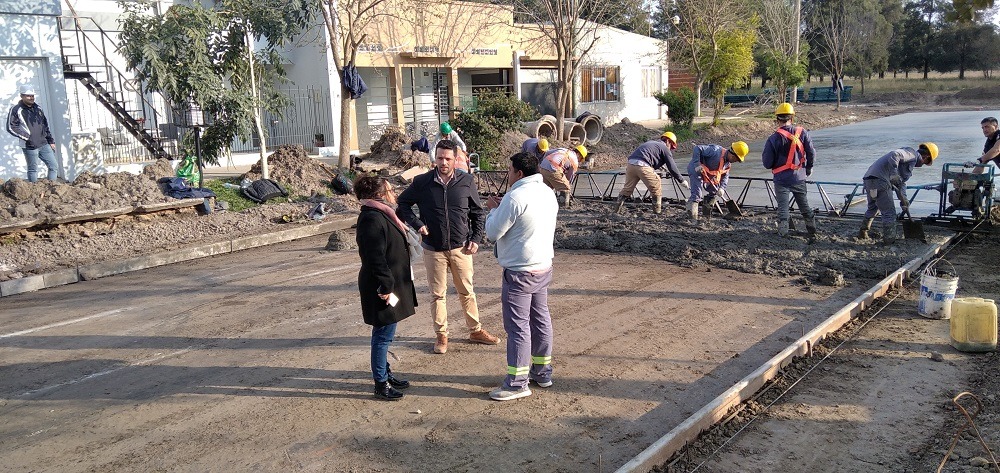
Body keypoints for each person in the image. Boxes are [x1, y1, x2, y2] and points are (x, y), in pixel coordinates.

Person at [396, 139, 500, 354]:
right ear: (435, 158)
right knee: (437, 294)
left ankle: (475, 330)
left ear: (455, 159)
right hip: (433, 249)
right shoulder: (422, 182)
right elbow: (403, 203)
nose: (443, 162)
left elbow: (477, 212)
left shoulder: (466, 181)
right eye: (440, 158)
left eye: (448, 158)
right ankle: (441, 335)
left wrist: (476, 238)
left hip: (461, 248)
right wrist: (417, 224)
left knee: (467, 292)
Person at [484, 151, 559, 401]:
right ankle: (543, 372)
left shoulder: (515, 197)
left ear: (518, 172)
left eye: (509, 169)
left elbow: (493, 233)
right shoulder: (548, 192)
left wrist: (493, 211)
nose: (507, 173)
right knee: (540, 320)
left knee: (518, 328)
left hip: (519, 272)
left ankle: (517, 382)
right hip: (542, 267)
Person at [354, 175, 418, 400]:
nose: (394, 194)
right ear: (379, 195)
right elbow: (374, 257)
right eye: (390, 190)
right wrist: (386, 285)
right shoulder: (372, 218)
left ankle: (386, 373)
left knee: (386, 333)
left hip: (389, 283)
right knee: (382, 335)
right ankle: (380, 383)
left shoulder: (382, 213)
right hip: (381, 286)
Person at [858, 143, 938, 242]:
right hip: (881, 180)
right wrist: (893, 173)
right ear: (926, 157)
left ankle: (863, 232)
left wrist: (904, 200)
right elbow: (894, 154)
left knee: (873, 208)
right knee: (889, 213)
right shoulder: (911, 153)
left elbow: (900, 183)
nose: (922, 165)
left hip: (869, 179)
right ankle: (889, 240)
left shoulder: (907, 163)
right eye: (925, 163)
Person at [761, 103, 817, 238]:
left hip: (781, 179)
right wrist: (808, 168)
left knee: (783, 207)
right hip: (799, 177)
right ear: (792, 118)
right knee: (804, 204)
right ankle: (812, 229)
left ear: (777, 119)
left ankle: (783, 232)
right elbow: (811, 153)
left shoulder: (773, 138)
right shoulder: (802, 133)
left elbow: (767, 163)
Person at [614, 131, 689, 214]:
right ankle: (657, 212)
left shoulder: (651, 143)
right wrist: (681, 180)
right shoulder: (665, 148)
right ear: (668, 141)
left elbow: (647, 155)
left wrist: (659, 166)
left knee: (627, 189)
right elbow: (672, 167)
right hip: (643, 166)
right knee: (656, 184)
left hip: (631, 164)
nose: (670, 149)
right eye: (671, 146)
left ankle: (616, 210)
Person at [6, 84, 58, 182]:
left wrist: (50, 141)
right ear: (22, 96)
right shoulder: (16, 109)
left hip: (44, 144)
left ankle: (52, 188)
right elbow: (11, 127)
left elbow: (45, 125)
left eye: (32, 95)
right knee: (33, 170)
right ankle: (34, 191)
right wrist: (27, 137)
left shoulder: (38, 108)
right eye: (28, 95)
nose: (31, 98)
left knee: (53, 166)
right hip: (29, 146)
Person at [686, 141, 749, 221]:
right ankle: (692, 218)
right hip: (696, 168)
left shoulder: (727, 164)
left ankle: (706, 215)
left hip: (708, 172)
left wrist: (722, 188)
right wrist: (697, 164)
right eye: (736, 159)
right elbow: (697, 148)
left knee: (713, 192)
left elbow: (725, 176)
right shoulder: (715, 151)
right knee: (697, 194)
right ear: (732, 154)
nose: (736, 161)